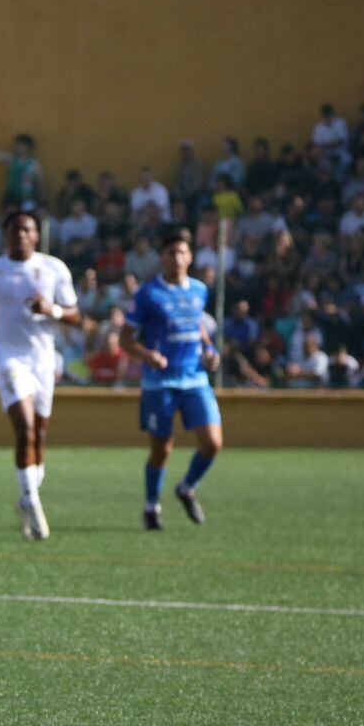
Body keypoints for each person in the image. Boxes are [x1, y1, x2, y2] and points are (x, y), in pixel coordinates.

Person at [0, 209, 80, 540]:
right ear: (5, 235)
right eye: (15, 230)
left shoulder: (53, 268)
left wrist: (53, 310)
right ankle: (32, 501)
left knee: (40, 434)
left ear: (37, 235)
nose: (21, 235)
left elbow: (76, 315)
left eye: (27, 230)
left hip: (43, 360)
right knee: (26, 427)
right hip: (8, 357)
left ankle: (25, 496)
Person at [118, 227, 222, 530]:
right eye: (171, 252)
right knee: (162, 449)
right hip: (159, 382)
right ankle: (151, 506)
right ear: (162, 257)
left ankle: (187, 486)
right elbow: (125, 339)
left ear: (190, 257)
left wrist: (210, 349)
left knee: (213, 442)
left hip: (194, 379)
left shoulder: (199, 290)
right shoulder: (148, 294)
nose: (177, 257)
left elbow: (198, 325)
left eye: (182, 252)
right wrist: (147, 356)